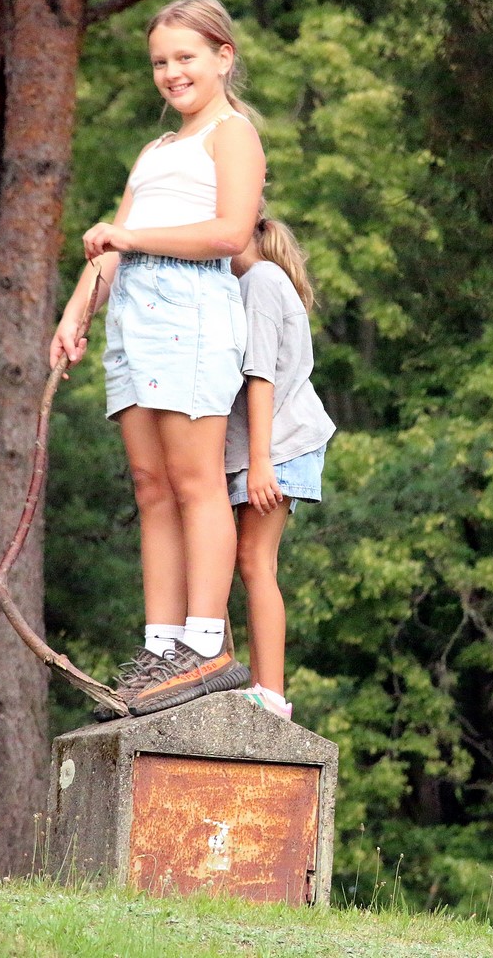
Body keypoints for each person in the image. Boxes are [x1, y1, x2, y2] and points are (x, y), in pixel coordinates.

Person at [50, 0, 262, 718]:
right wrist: (75, 315)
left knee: (196, 480)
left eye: (185, 57)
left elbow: (230, 233)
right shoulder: (157, 151)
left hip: (192, 316)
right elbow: (113, 247)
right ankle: (162, 644)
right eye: (160, 62)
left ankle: (205, 644)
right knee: (152, 487)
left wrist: (129, 238)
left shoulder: (232, 135)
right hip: (134, 326)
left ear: (223, 57)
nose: (172, 73)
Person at [225, 216, 337, 721]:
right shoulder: (252, 282)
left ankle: (269, 695)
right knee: (243, 560)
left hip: (278, 446)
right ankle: (249, 683)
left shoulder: (261, 281)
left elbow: (262, 377)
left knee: (255, 560)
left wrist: (260, 463)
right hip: (265, 448)